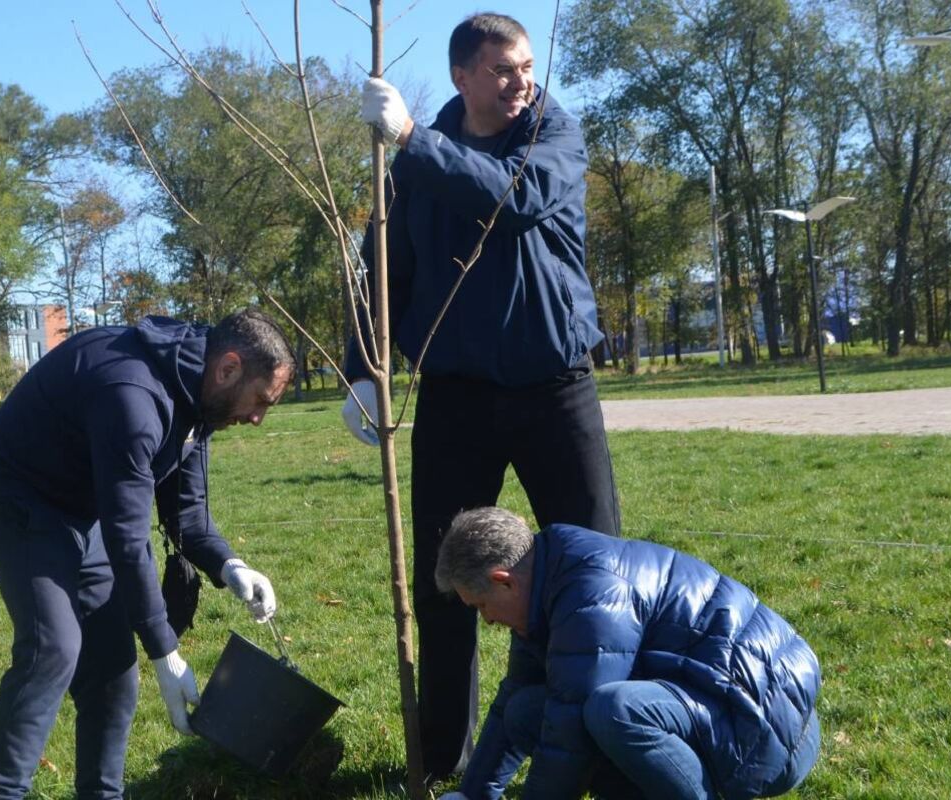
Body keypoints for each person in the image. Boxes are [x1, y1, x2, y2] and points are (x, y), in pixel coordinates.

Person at [344, 11, 621, 779]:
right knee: (445, 576)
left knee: (593, 564)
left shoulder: (553, 134)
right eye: (502, 70)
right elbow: (383, 263)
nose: (520, 82)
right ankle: (446, 761)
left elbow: (515, 200)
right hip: (457, 397)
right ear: (463, 75)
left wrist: (410, 142)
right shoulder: (412, 161)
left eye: (526, 67)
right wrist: (364, 367)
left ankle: (600, 737)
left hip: (554, 385)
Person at [0, 308, 295, 800]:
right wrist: (164, 650)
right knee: (53, 647)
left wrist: (233, 567)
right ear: (228, 368)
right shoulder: (133, 395)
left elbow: (188, 517)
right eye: (259, 401)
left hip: (83, 509)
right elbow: (127, 538)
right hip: (16, 498)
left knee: (113, 670)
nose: (256, 418)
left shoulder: (198, 398)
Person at [433, 507, 822, 800]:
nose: (486, 621)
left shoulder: (592, 594)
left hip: (767, 734)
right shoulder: (544, 579)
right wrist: (472, 795)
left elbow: (568, 732)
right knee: (524, 709)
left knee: (615, 709)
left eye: (480, 606)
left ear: (504, 581)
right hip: (724, 709)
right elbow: (513, 699)